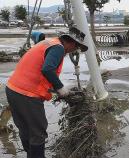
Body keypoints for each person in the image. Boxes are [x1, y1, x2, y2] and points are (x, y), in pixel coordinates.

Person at [5, 27, 88, 158]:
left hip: (12, 89)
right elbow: (48, 69)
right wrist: (60, 88)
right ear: (72, 42)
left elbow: (40, 72)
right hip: (27, 94)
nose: (75, 50)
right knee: (38, 130)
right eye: (76, 47)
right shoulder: (59, 48)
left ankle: (31, 155)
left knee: (25, 128)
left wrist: (56, 88)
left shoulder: (49, 42)